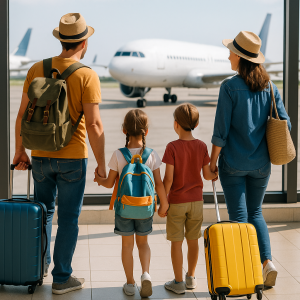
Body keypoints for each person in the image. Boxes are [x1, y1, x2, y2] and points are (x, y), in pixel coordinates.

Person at [13, 13, 106, 295]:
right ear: (84, 42)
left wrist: (21, 151)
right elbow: (93, 124)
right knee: (68, 219)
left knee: (42, 214)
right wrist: (102, 165)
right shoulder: (87, 75)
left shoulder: (36, 69)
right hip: (73, 159)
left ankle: (36, 268)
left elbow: (21, 116)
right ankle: (62, 278)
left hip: (40, 156)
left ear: (61, 39)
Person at [210, 31, 291, 288]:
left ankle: (246, 272)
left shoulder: (229, 87)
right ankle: (267, 263)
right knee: (256, 213)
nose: (228, 55)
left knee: (239, 220)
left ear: (240, 57)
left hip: (233, 165)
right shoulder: (270, 87)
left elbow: (220, 133)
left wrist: (212, 163)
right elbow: (285, 123)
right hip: (261, 165)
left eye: (231, 51)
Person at [94, 109, 169, 297]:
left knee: (127, 246)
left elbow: (110, 183)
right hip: (145, 208)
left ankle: (129, 283)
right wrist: (164, 204)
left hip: (124, 209)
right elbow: (159, 184)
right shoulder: (152, 155)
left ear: (124, 130)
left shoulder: (119, 155)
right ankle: (146, 274)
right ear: (147, 131)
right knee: (143, 243)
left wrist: (98, 179)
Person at [162, 104, 218, 295]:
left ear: (175, 124)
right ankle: (191, 278)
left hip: (177, 202)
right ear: (197, 123)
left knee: (176, 242)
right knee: (193, 240)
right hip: (197, 202)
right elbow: (207, 175)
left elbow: (168, 179)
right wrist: (214, 173)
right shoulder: (201, 146)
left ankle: (178, 282)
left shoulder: (172, 147)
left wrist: (164, 201)